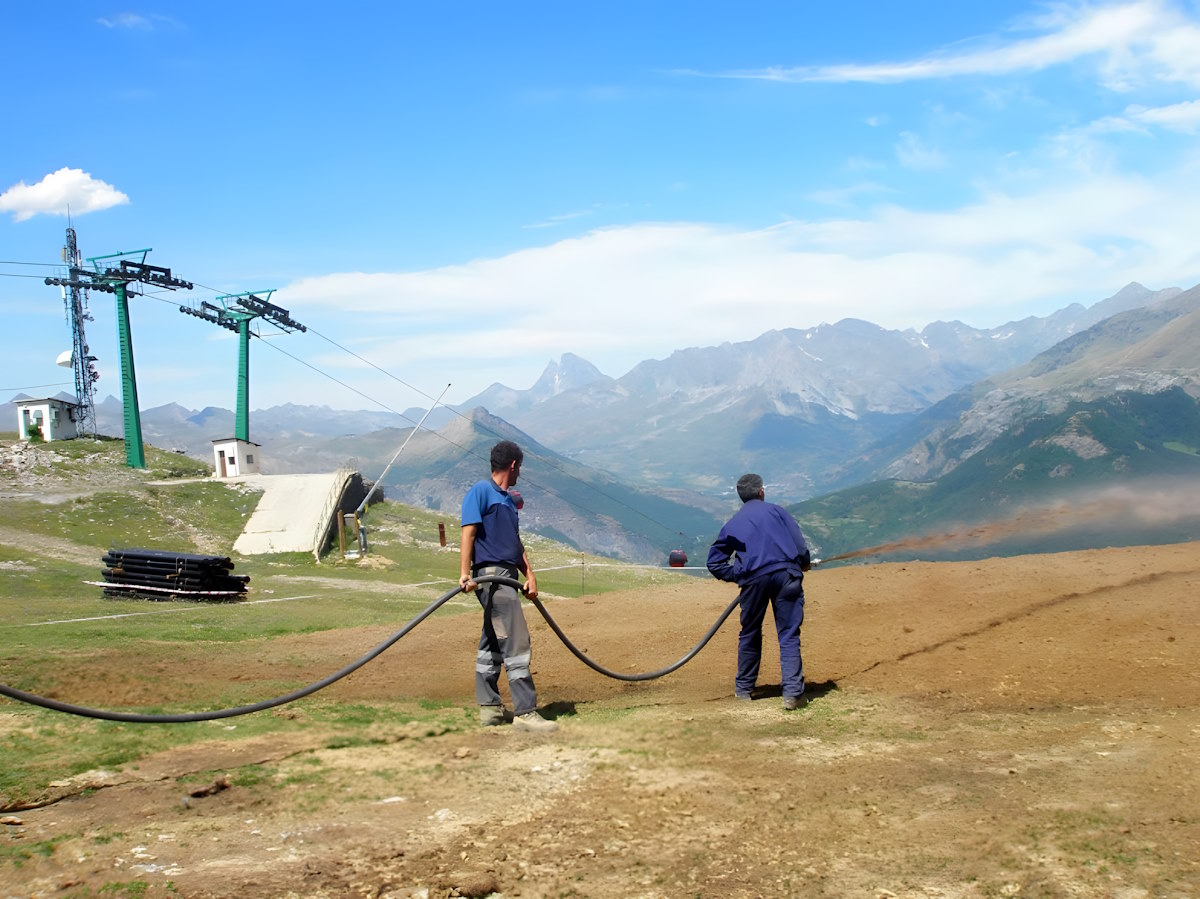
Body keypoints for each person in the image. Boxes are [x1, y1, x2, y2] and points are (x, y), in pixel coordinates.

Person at [460, 440, 557, 733]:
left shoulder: (506, 501)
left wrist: (529, 573)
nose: (519, 474)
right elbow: (468, 533)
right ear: (513, 465)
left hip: (508, 576)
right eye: (520, 468)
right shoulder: (480, 491)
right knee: (515, 639)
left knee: (492, 640)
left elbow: (515, 543)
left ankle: (489, 709)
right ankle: (525, 712)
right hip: (491, 578)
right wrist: (465, 573)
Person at [706, 473, 813, 710]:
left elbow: (714, 563)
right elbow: (800, 546)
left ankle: (744, 690)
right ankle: (793, 694)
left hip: (753, 581)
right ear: (762, 492)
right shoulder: (778, 512)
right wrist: (803, 562)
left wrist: (738, 574)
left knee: (750, 633)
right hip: (787, 576)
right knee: (788, 633)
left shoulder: (732, 524)